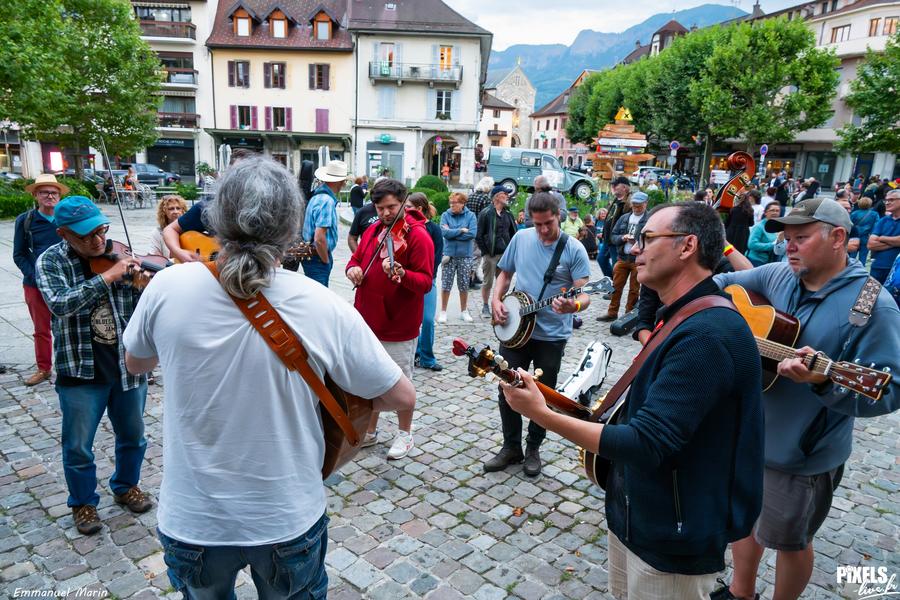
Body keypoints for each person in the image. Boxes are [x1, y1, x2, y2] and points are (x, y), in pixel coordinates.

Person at [122, 156, 416, 599]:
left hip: (194, 516)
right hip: (285, 513)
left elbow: (136, 363)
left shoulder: (167, 287)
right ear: (289, 225)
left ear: (216, 217)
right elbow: (401, 396)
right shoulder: (322, 304)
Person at [503, 202, 764, 598]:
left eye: (647, 238)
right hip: (638, 514)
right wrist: (548, 399)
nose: (634, 250)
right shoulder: (679, 314)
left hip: (672, 534)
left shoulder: (707, 334)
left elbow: (647, 442)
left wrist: (541, 415)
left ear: (687, 245)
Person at [712, 197, 900, 600]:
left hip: (801, 453)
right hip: (749, 431)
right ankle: (740, 591)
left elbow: (889, 390)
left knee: (788, 540)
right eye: (787, 238)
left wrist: (823, 381)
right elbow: (720, 286)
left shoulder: (871, 306)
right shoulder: (780, 275)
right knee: (743, 519)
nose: (789, 246)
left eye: (801, 237)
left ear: (837, 238)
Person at [36, 196, 152, 536]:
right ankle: (83, 503)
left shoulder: (118, 254)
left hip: (126, 366)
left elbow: (142, 309)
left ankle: (126, 485)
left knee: (133, 436)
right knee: (78, 445)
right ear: (63, 234)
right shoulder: (51, 261)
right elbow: (59, 304)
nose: (99, 241)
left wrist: (144, 286)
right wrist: (107, 277)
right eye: (87, 236)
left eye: (102, 231)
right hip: (80, 370)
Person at [488, 192, 591, 477]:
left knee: (542, 394)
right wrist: (496, 301)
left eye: (548, 223)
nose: (544, 230)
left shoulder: (574, 249)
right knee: (506, 386)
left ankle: (533, 447)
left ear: (558, 214)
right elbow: (504, 274)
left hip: (551, 335)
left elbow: (585, 295)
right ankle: (511, 447)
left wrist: (574, 304)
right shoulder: (521, 238)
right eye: (538, 224)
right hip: (515, 330)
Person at [346, 179, 433, 460]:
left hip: (398, 323)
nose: (385, 213)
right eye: (380, 207)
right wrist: (353, 270)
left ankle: (405, 434)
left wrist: (404, 275)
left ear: (404, 203)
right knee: (369, 378)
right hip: (368, 320)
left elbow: (425, 282)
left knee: (400, 382)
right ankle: (370, 431)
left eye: (392, 207)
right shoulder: (373, 230)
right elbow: (354, 259)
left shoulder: (418, 236)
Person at [14, 174, 65, 386]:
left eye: (54, 192)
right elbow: (19, 254)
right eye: (44, 192)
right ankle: (44, 369)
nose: (50, 196)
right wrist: (35, 275)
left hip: (63, 282)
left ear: (59, 196)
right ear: (36, 195)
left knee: (65, 327)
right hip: (35, 285)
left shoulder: (65, 219)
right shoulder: (25, 221)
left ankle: (65, 367)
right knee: (41, 329)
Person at [598, 192, 649, 322]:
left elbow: (652, 240)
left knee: (634, 290)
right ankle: (612, 312)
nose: (636, 208)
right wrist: (622, 237)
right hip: (622, 257)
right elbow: (613, 236)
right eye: (634, 206)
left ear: (645, 204)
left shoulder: (649, 220)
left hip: (638, 260)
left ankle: (628, 316)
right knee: (616, 286)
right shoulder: (624, 218)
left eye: (639, 206)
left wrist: (637, 240)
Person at [410, 194, 443, 372]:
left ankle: (427, 358)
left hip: (428, 280)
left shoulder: (434, 229)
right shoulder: (407, 228)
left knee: (428, 320)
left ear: (419, 209)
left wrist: (425, 276)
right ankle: (414, 353)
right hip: (410, 279)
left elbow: (437, 257)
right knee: (411, 320)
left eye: (409, 207)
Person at [302, 160, 347, 287]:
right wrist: (325, 261)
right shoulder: (326, 201)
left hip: (313, 255)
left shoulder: (318, 195)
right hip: (318, 257)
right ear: (341, 182)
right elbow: (319, 238)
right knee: (318, 299)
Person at [475, 189, 518, 318]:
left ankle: (498, 304)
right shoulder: (486, 213)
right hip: (491, 256)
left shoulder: (508, 214)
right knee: (488, 282)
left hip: (505, 255)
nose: (507, 197)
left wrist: (512, 251)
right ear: (497, 197)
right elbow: (479, 235)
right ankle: (485, 306)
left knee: (504, 282)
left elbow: (514, 234)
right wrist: (486, 252)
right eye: (505, 195)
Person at [438, 192, 478, 323]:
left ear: (462, 203)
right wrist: (461, 230)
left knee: (464, 284)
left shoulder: (471, 216)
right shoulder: (445, 215)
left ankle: (464, 311)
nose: (451, 206)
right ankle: (443, 311)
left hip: (465, 256)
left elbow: (471, 234)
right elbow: (444, 233)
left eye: (454, 203)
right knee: (446, 284)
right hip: (449, 255)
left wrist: (452, 232)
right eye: (451, 203)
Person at [599, 176, 632, 278]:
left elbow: (627, 223)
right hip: (607, 239)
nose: (613, 187)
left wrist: (620, 238)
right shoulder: (616, 200)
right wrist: (604, 233)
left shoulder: (628, 203)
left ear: (624, 188)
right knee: (601, 259)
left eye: (616, 185)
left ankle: (613, 291)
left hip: (616, 241)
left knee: (616, 267)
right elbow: (610, 218)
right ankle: (611, 283)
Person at [866, 189, 900, 283]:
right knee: (868, 296)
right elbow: (871, 245)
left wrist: (882, 238)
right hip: (878, 267)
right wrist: (896, 242)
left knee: (893, 297)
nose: (887, 203)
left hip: (897, 270)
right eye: (886, 200)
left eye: (891, 200)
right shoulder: (883, 220)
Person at [466, 176, 495, 289]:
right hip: (479, 231)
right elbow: (487, 217)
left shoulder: (470, 196)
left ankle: (475, 276)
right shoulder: (485, 199)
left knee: (471, 253)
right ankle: (470, 278)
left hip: (469, 228)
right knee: (477, 255)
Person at [148, 195, 187, 259]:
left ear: (183, 211)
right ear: (164, 212)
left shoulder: (190, 230)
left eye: (178, 208)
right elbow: (155, 257)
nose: (176, 212)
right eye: (171, 209)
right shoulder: (157, 233)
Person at [747, 203, 781, 267]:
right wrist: (772, 245)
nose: (775, 213)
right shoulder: (759, 227)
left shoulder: (777, 227)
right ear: (765, 213)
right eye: (772, 210)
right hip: (756, 261)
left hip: (770, 262)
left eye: (777, 211)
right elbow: (751, 244)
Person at [849, 196, 879, 265]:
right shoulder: (874, 214)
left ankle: (849, 270)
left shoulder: (854, 213)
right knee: (863, 257)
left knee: (852, 256)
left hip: (854, 237)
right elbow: (876, 226)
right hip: (866, 237)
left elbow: (850, 225)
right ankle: (860, 272)